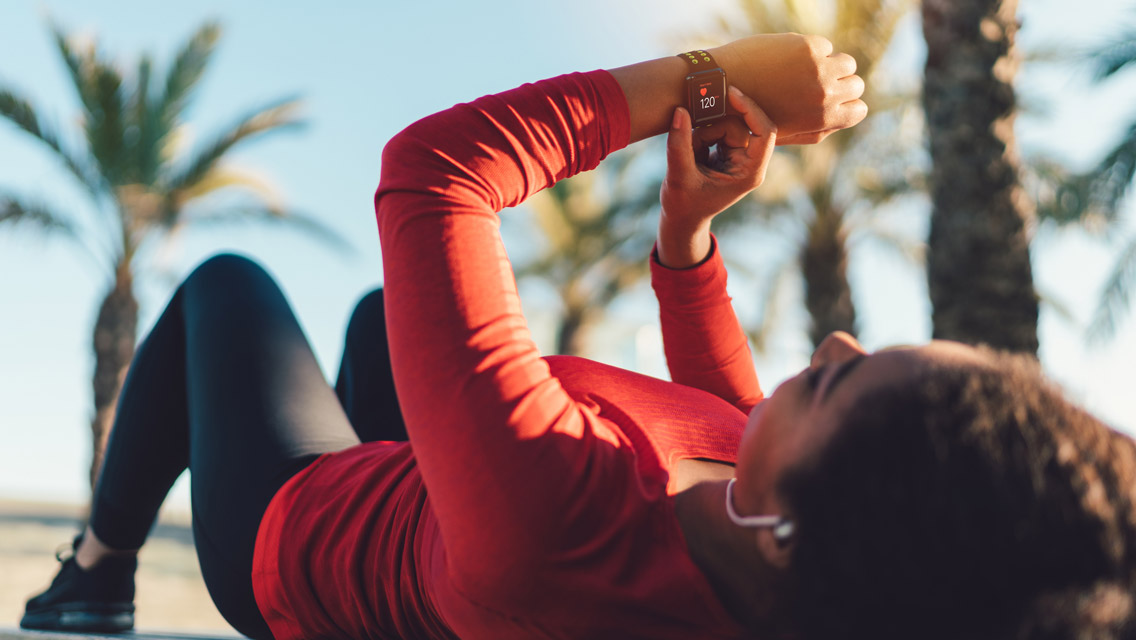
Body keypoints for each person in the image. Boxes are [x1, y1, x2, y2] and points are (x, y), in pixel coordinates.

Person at [21, 32, 1136, 640]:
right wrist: (686, 237)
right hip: (447, 520)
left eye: (836, 386)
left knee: (228, 284)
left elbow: (434, 173)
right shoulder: (787, 571)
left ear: (789, 530)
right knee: (373, 323)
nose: (835, 339)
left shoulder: (557, 523)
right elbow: (733, 419)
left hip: (292, 541)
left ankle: (94, 576)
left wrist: (713, 75)